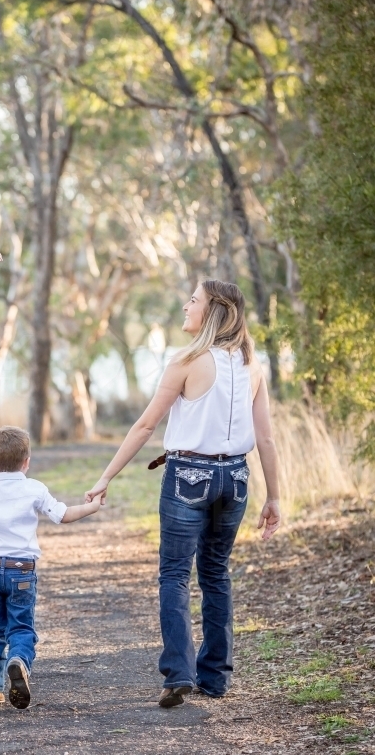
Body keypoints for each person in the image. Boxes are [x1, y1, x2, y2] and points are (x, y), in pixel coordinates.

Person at [86, 280, 281, 708]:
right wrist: (274, 497)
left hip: (188, 476)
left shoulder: (187, 361)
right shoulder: (253, 364)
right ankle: (215, 678)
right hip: (236, 479)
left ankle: (179, 674)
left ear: (212, 311)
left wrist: (105, 478)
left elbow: (144, 426)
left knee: (175, 575)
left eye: (194, 300)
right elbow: (265, 439)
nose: (185, 305)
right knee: (215, 572)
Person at [0, 426, 102, 709]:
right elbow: (63, 515)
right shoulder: (34, 488)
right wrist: (92, 507)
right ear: (26, 461)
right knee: (21, 626)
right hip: (22, 571)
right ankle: (19, 660)